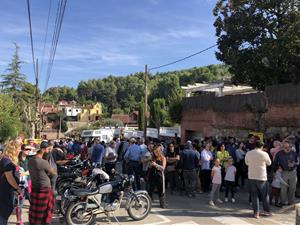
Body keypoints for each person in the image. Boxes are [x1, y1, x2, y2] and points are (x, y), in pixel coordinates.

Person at [28, 143, 57, 225]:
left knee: (35, 209)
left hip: (35, 187)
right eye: (48, 149)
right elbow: (53, 173)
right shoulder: (43, 162)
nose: (48, 151)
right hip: (44, 188)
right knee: (45, 210)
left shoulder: (30, 161)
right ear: (43, 149)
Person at [245, 141, 272, 219]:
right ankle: (266, 211)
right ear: (262, 147)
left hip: (252, 176)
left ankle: (256, 213)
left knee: (254, 195)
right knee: (265, 195)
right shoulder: (264, 154)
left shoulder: (249, 153)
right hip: (262, 177)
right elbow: (269, 163)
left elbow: (246, 163)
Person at [0, 140, 22, 225]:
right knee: (3, 214)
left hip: (8, 190)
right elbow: (9, 177)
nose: (19, 150)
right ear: (13, 149)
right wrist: (17, 187)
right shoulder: (6, 160)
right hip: (4, 191)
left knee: (5, 213)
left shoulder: (8, 160)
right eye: (18, 149)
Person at [273, 141, 298, 206]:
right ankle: (283, 202)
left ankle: (291, 202)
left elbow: (297, 162)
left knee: (292, 188)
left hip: (293, 172)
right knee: (283, 188)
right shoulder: (279, 153)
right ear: (282, 147)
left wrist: (294, 164)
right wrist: (277, 169)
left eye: (289, 147)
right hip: (283, 172)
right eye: (286, 147)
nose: (288, 148)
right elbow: (274, 163)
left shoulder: (294, 153)